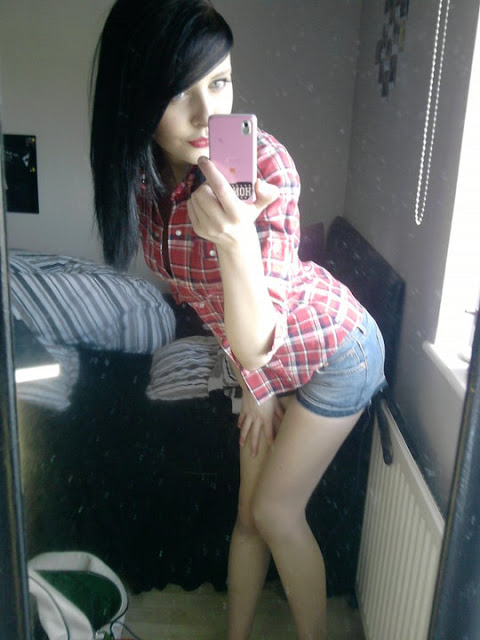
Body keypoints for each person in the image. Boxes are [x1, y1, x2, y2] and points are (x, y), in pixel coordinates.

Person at [90, 1, 386, 638]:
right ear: (135, 95)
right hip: (266, 361)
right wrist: (256, 387)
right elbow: (214, 315)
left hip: (337, 345)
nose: (208, 114)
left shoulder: (263, 166)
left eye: (219, 82)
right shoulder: (145, 184)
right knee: (248, 518)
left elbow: (258, 338)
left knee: (277, 512)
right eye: (179, 91)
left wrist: (236, 243)